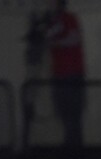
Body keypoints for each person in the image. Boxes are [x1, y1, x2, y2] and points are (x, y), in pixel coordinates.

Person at [42, 0, 85, 150]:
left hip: (72, 73)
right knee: (63, 112)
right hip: (59, 74)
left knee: (73, 114)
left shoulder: (69, 18)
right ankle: (69, 144)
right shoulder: (51, 22)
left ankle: (75, 147)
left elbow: (73, 39)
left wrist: (55, 43)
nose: (49, 4)